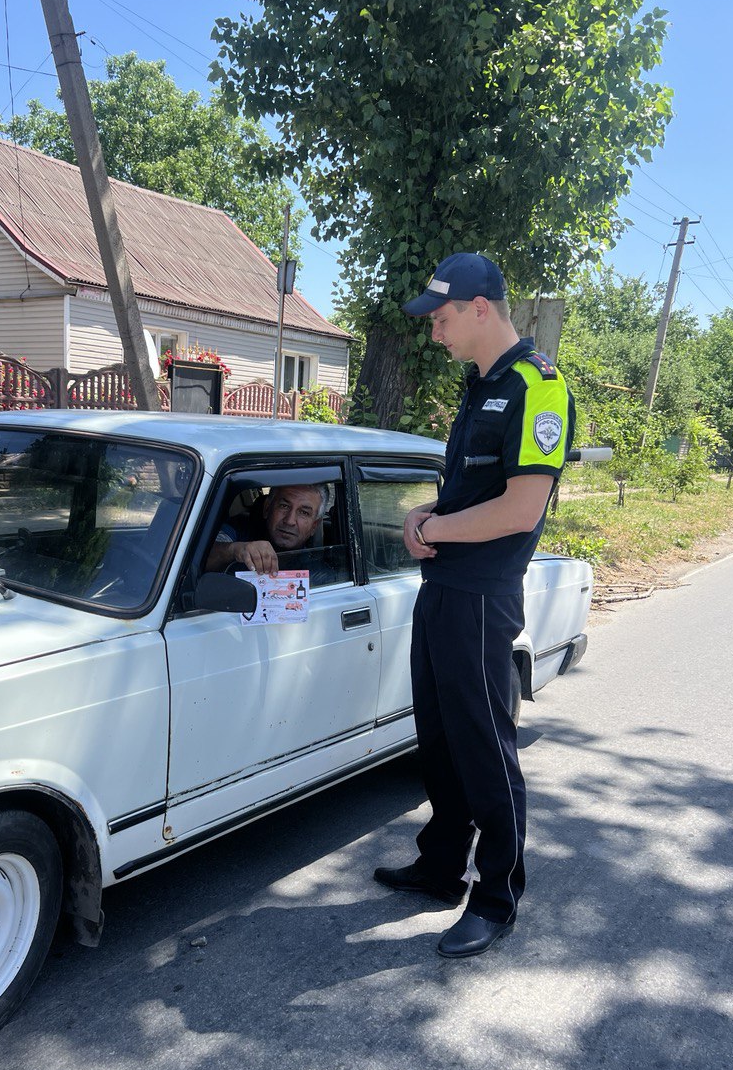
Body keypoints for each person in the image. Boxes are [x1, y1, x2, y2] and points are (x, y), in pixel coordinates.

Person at [373, 252, 575, 958]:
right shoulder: (481, 384)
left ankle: (496, 898)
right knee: (441, 740)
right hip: (443, 591)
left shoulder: (538, 388)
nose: (435, 330)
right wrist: (426, 511)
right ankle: (440, 866)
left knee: (487, 752)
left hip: (482, 599)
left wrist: (433, 529)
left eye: (444, 316)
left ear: (482, 307)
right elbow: (473, 493)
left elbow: (521, 509)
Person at [205, 483, 333, 576]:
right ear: (267, 508)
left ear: (314, 526)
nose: (289, 521)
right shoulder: (239, 529)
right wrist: (235, 550)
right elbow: (200, 557)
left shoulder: (319, 573)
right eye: (284, 506)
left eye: (304, 513)